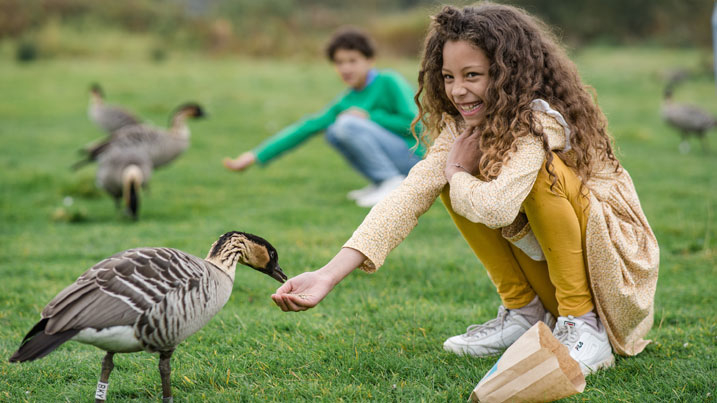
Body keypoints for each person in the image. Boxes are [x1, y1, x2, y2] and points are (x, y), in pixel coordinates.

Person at [271, 3, 659, 376]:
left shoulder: (541, 121)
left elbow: (497, 210)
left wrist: (457, 172)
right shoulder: (463, 128)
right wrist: (327, 274)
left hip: (609, 280)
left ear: (509, 72)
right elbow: (406, 198)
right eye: (448, 77)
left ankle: (583, 326)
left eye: (472, 75)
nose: (457, 91)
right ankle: (525, 313)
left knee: (537, 173)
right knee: (439, 176)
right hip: (555, 274)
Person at [223, 28, 424, 207]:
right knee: (333, 131)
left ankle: (390, 182)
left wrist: (370, 116)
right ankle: (381, 182)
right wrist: (254, 156)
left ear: (369, 61)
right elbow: (306, 128)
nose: (345, 68)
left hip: (417, 158)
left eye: (352, 61)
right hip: (399, 159)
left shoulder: (389, 81)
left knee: (347, 124)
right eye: (339, 62)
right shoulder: (346, 100)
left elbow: (416, 124)